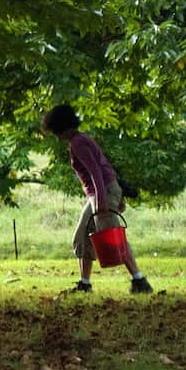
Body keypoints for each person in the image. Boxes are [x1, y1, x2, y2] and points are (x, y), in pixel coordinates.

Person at [41, 103, 153, 295]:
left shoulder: (79, 143)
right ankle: (85, 284)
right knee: (82, 236)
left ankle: (140, 281)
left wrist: (102, 202)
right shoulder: (79, 140)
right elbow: (103, 168)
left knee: (113, 235)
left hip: (102, 192)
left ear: (62, 127)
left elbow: (96, 173)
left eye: (55, 131)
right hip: (99, 193)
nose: (55, 136)